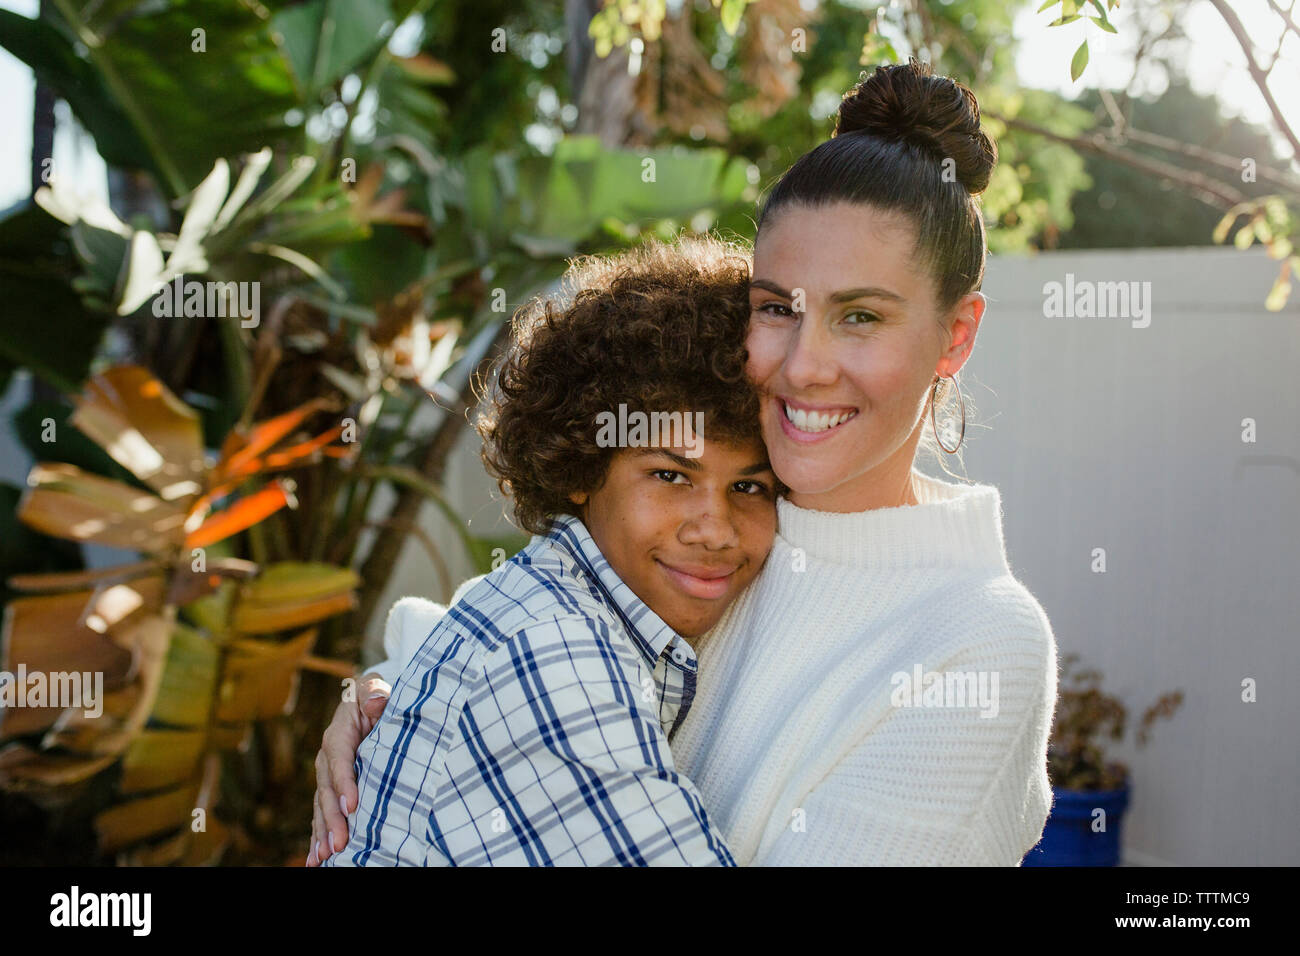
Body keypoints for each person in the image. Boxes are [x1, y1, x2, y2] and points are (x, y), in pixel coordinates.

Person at [311, 59, 1058, 866]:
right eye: (777, 308)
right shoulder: (733, 532)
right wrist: (380, 698)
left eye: (860, 316)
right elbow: (507, 630)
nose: (803, 366)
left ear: (956, 336)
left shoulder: (978, 639)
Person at [318, 237, 778, 865]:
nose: (715, 529)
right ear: (581, 470)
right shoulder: (559, 656)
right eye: (670, 476)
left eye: (749, 487)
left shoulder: (541, 601)